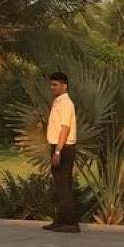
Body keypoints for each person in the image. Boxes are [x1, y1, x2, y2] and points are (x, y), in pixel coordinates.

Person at [44, 71, 78, 233]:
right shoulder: (58, 102)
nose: (52, 87)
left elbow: (65, 128)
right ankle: (60, 220)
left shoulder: (66, 103)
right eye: (51, 84)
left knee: (63, 187)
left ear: (65, 86)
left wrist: (57, 151)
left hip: (63, 148)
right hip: (58, 146)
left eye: (55, 85)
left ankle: (71, 223)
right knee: (60, 186)